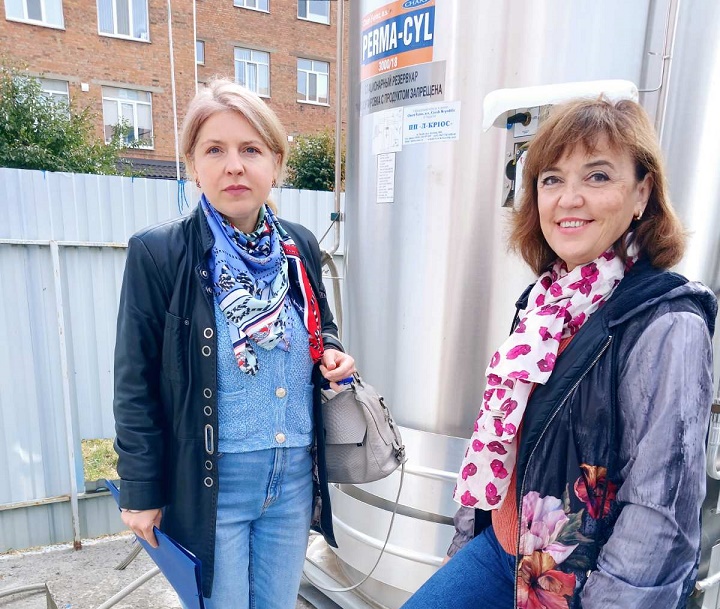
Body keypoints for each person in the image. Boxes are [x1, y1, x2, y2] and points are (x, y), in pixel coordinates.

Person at [401, 98, 716, 609]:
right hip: (502, 551)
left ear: (642, 193)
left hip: (584, 582)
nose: (569, 198)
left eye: (597, 176)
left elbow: (660, 513)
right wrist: (464, 547)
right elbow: (503, 447)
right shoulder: (542, 305)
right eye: (551, 179)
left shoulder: (665, 322)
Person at [112, 77, 355, 609]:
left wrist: (331, 351)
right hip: (212, 483)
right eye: (214, 150)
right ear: (193, 165)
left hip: (293, 480)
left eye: (250, 150)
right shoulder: (160, 254)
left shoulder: (299, 245)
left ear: (276, 163)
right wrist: (140, 489)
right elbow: (135, 381)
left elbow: (320, 324)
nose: (234, 166)